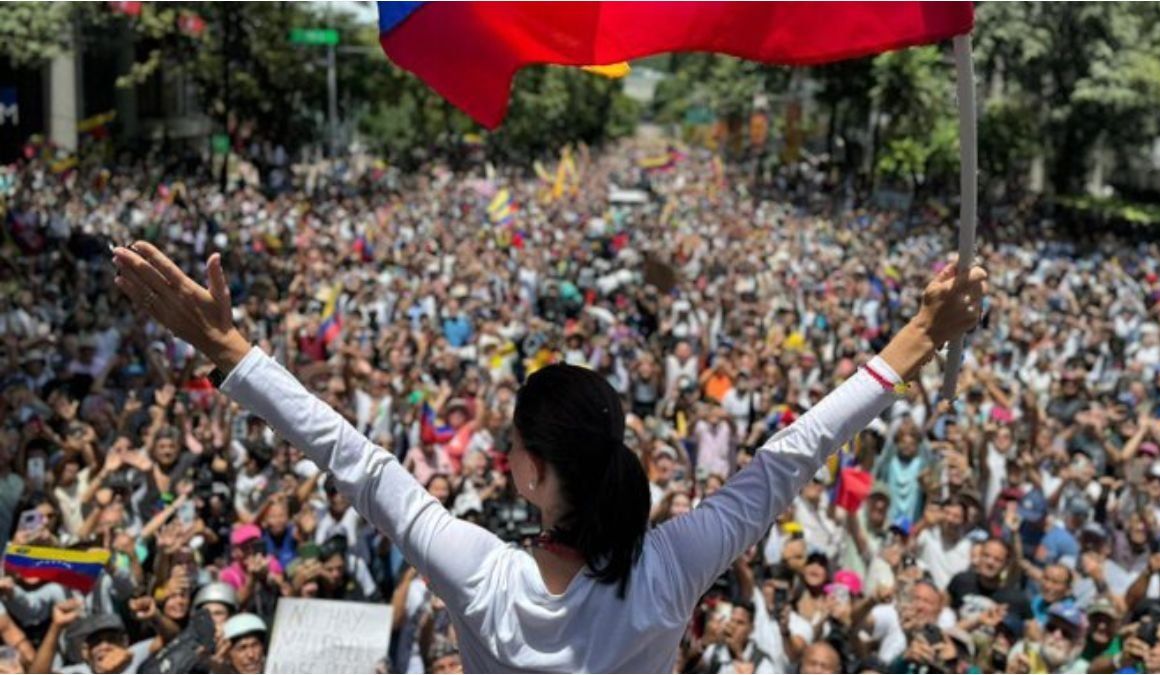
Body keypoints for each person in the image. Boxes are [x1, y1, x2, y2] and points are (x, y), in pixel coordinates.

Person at [110, 236, 986, 672]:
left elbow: (361, 462)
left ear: (530, 471)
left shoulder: (481, 577)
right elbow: (789, 458)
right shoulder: (672, 568)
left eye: (511, 445)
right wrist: (914, 335)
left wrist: (231, 348)